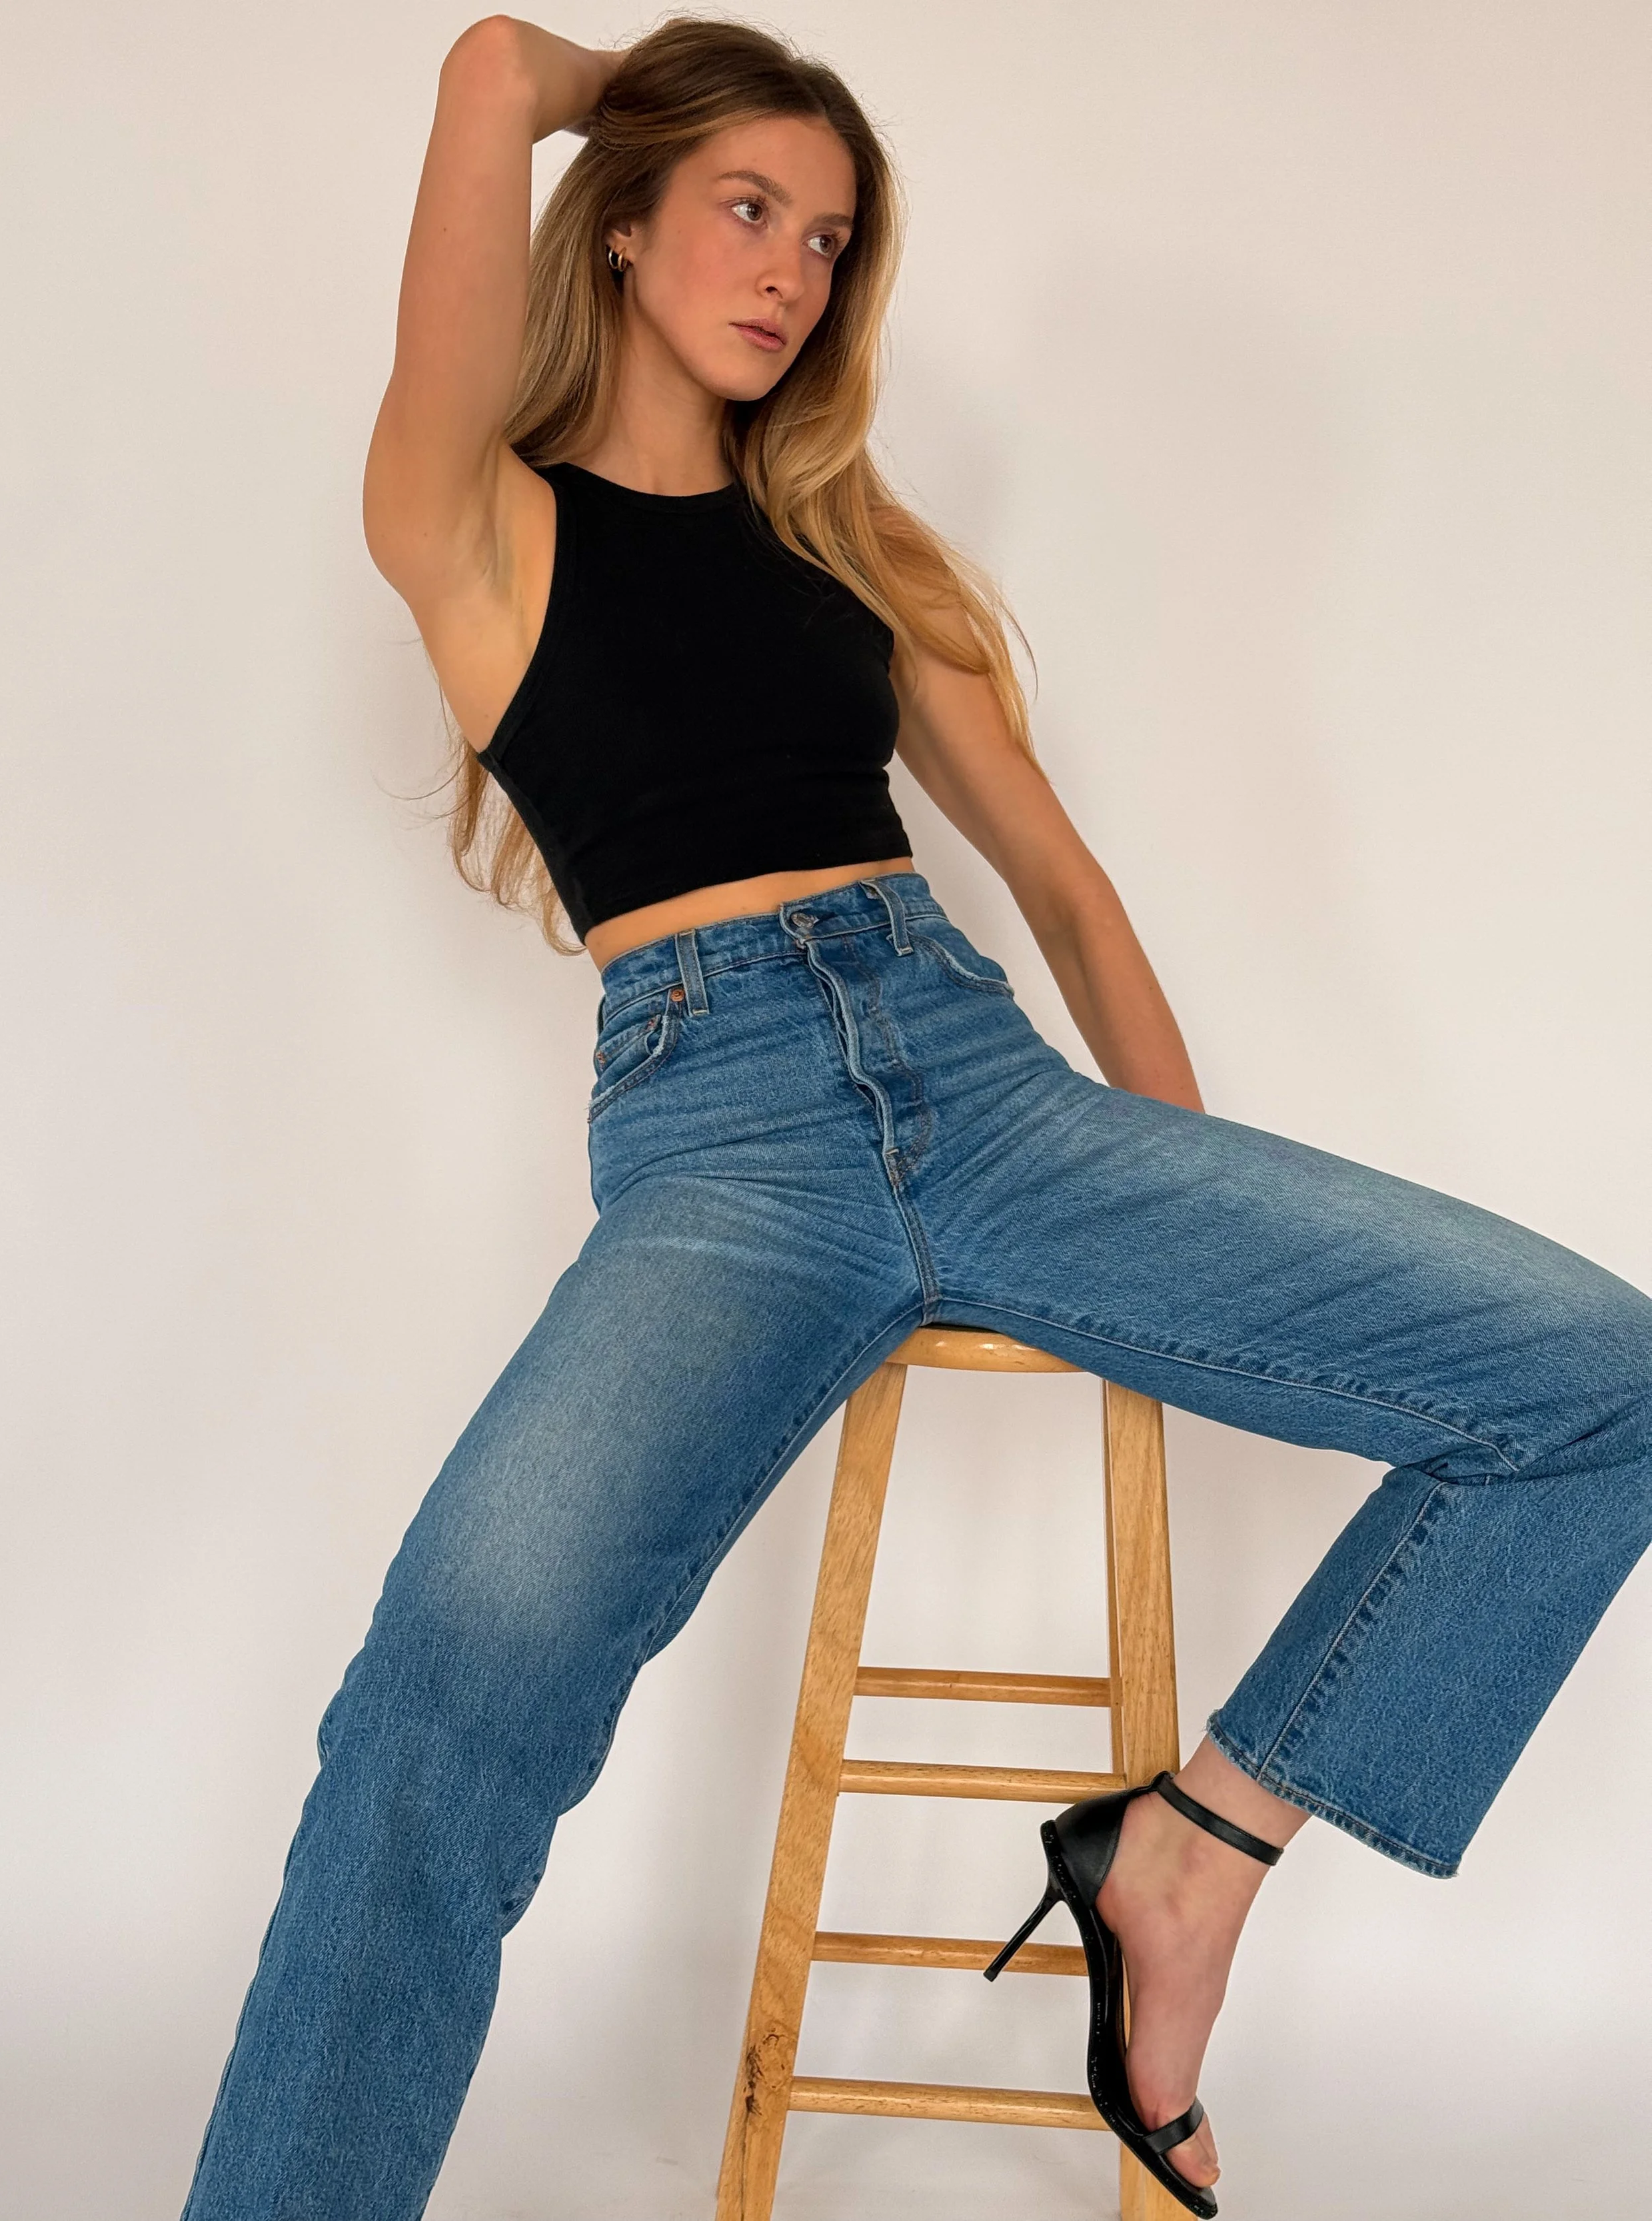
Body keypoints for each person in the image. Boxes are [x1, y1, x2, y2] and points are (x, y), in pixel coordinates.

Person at [180, 15, 1652, 2218]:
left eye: (828, 239)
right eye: (745, 209)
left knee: (1601, 1374)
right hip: (723, 1154)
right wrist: (611, 88)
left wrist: (1191, 1195)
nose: (789, 270)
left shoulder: (853, 544)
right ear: (625, 221)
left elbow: (1063, 889)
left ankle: (1188, 1854)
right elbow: (488, 67)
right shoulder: (471, 523)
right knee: (435, 1705)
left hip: (990, 1094)